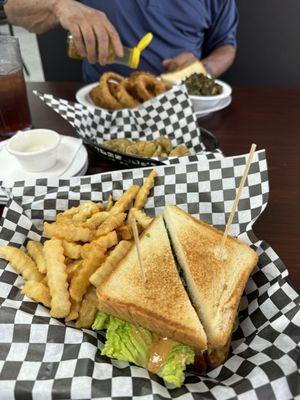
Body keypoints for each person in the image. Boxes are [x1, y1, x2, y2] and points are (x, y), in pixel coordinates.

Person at [4, 0, 238, 82]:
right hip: (103, 109)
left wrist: (201, 70)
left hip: (180, 105)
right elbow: (12, 9)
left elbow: (226, 46)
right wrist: (58, 5)